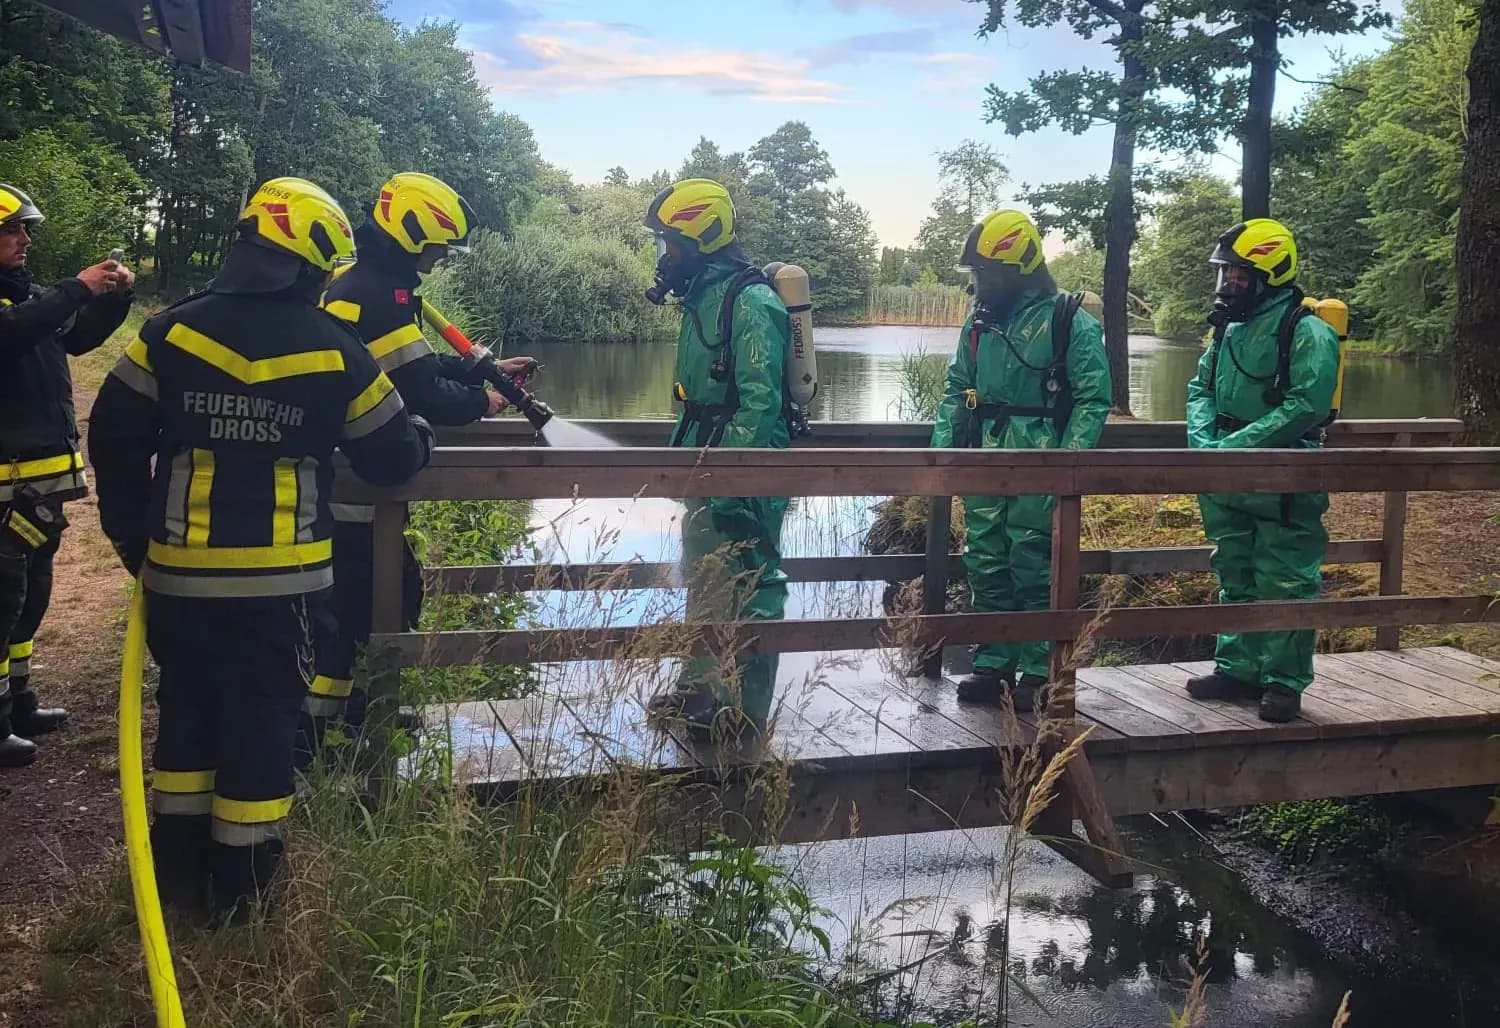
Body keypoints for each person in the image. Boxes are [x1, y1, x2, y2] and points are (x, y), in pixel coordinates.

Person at [89, 177, 435, 916]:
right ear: (310, 266)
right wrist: (423, 433)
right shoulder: (334, 350)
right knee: (262, 730)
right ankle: (242, 896)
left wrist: (131, 539)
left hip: (179, 579)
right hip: (283, 588)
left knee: (187, 716)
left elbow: (113, 439)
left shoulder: (171, 332)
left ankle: (176, 880)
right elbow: (392, 458)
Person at [301, 172, 533, 758]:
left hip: (353, 471)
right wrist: (489, 401)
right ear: (411, 234)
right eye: (438, 245)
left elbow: (415, 367)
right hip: (349, 478)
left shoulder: (379, 286)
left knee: (384, 593)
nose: (441, 257)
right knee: (363, 605)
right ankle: (338, 731)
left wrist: (485, 369)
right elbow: (422, 392)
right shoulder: (374, 292)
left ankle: (357, 714)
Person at [931, 209, 1111, 709]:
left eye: (985, 274)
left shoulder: (1069, 319)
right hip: (986, 453)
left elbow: (1094, 399)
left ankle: (1039, 669)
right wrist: (943, 453)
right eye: (976, 274)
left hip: (1041, 454)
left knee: (1035, 563)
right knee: (985, 560)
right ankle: (993, 664)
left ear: (1017, 269)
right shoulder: (979, 321)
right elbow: (956, 387)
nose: (978, 284)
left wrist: (1066, 464)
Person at [641, 179, 790, 735]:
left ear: (702, 239)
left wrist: (731, 475)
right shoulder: (703, 297)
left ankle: (743, 709)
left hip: (747, 463)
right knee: (706, 576)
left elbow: (759, 403)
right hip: (704, 455)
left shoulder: (752, 301)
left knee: (750, 579)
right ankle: (698, 687)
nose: (666, 257)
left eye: (672, 244)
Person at [0, 183, 135, 767]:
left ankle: (19, 700)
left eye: (26, 230)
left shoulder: (25, 298)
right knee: (3, 596)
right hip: (9, 480)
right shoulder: (22, 309)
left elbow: (74, 338)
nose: (24, 239)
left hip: (41, 479)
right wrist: (73, 287)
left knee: (31, 591)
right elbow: (14, 333)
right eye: (12, 230)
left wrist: (112, 299)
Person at [1184, 218, 1339, 723]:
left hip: (1282, 474)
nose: (1227, 283)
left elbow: (1306, 404)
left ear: (1270, 274)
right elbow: (1199, 390)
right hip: (1227, 470)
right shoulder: (1227, 327)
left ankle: (1283, 682)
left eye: (1237, 275)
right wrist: (1207, 443)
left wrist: (1237, 446)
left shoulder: (1307, 329)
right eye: (1224, 273)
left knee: (1286, 577)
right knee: (1235, 568)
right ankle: (1238, 668)